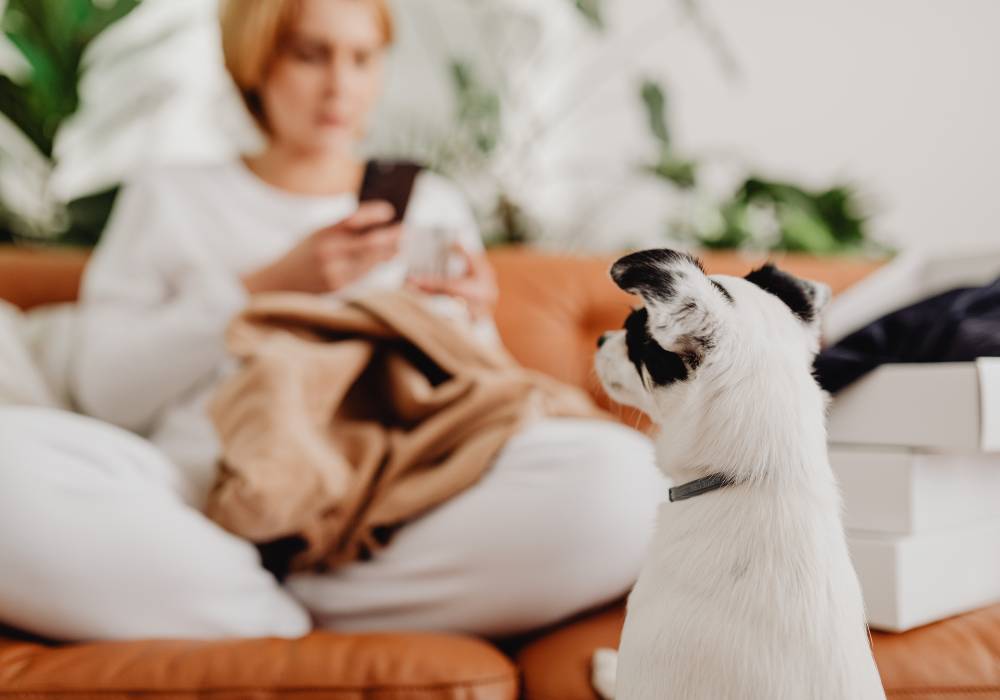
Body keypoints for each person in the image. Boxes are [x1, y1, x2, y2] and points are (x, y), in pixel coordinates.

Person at [0, 0, 663, 641]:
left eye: (361, 58)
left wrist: (466, 320)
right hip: (197, 499)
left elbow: (478, 406)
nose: (340, 84)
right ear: (255, 63)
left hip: (387, 497)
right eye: (310, 55)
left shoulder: (429, 204)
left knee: (628, 483)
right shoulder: (171, 194)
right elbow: (104, 394)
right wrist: (267, 288)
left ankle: (268, 605)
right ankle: (245, 593)